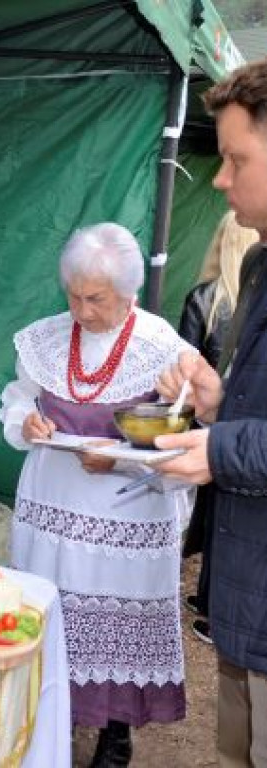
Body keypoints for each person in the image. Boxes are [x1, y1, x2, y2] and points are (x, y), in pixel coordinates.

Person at [0, 223, 193, 767]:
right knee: (55, 614)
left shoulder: (164, 352)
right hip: (52, 511)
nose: (81, 310)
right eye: (73, 295)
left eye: (95, 299)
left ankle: (114, 731)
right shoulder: (47, 338)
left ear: (129, 293)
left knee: (112, 631)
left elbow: (179, 451)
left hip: (122, 522)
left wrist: (117, 458)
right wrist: (26, 420)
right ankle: (50, 717)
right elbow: (15, 398)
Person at [155, 57, 267, 768]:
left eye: (235, 158)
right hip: (245, 594)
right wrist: (222, 403)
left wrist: (221, 448)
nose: (220, 179)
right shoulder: (259, 265)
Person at [176, 210, 258, 645]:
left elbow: (186, 358)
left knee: (214, 511)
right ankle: (213, 602)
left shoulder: (204, 298)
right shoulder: (248, 296)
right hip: (240, 421)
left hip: (218, 425)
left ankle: (212, 603)